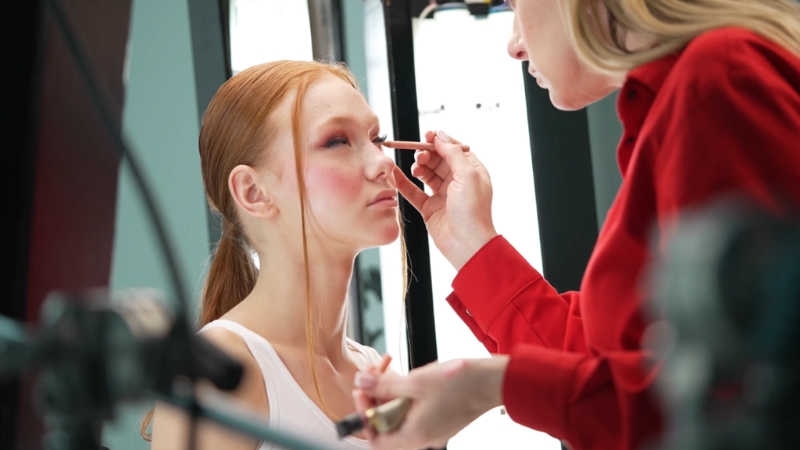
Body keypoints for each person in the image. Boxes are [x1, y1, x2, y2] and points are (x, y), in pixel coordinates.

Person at [353, 0, 800, 449]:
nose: (513, 45)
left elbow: (711, 403)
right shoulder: (697, 94)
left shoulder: (718, 83)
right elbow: (610, 373)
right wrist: (471, 245)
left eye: (516, 4)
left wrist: (491, 385)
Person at [144, 60, 401, 450]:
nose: (383, 163)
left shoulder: (376, 374)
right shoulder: (216, 379)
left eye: (377, 138)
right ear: (254, 192)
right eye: (337, 141)